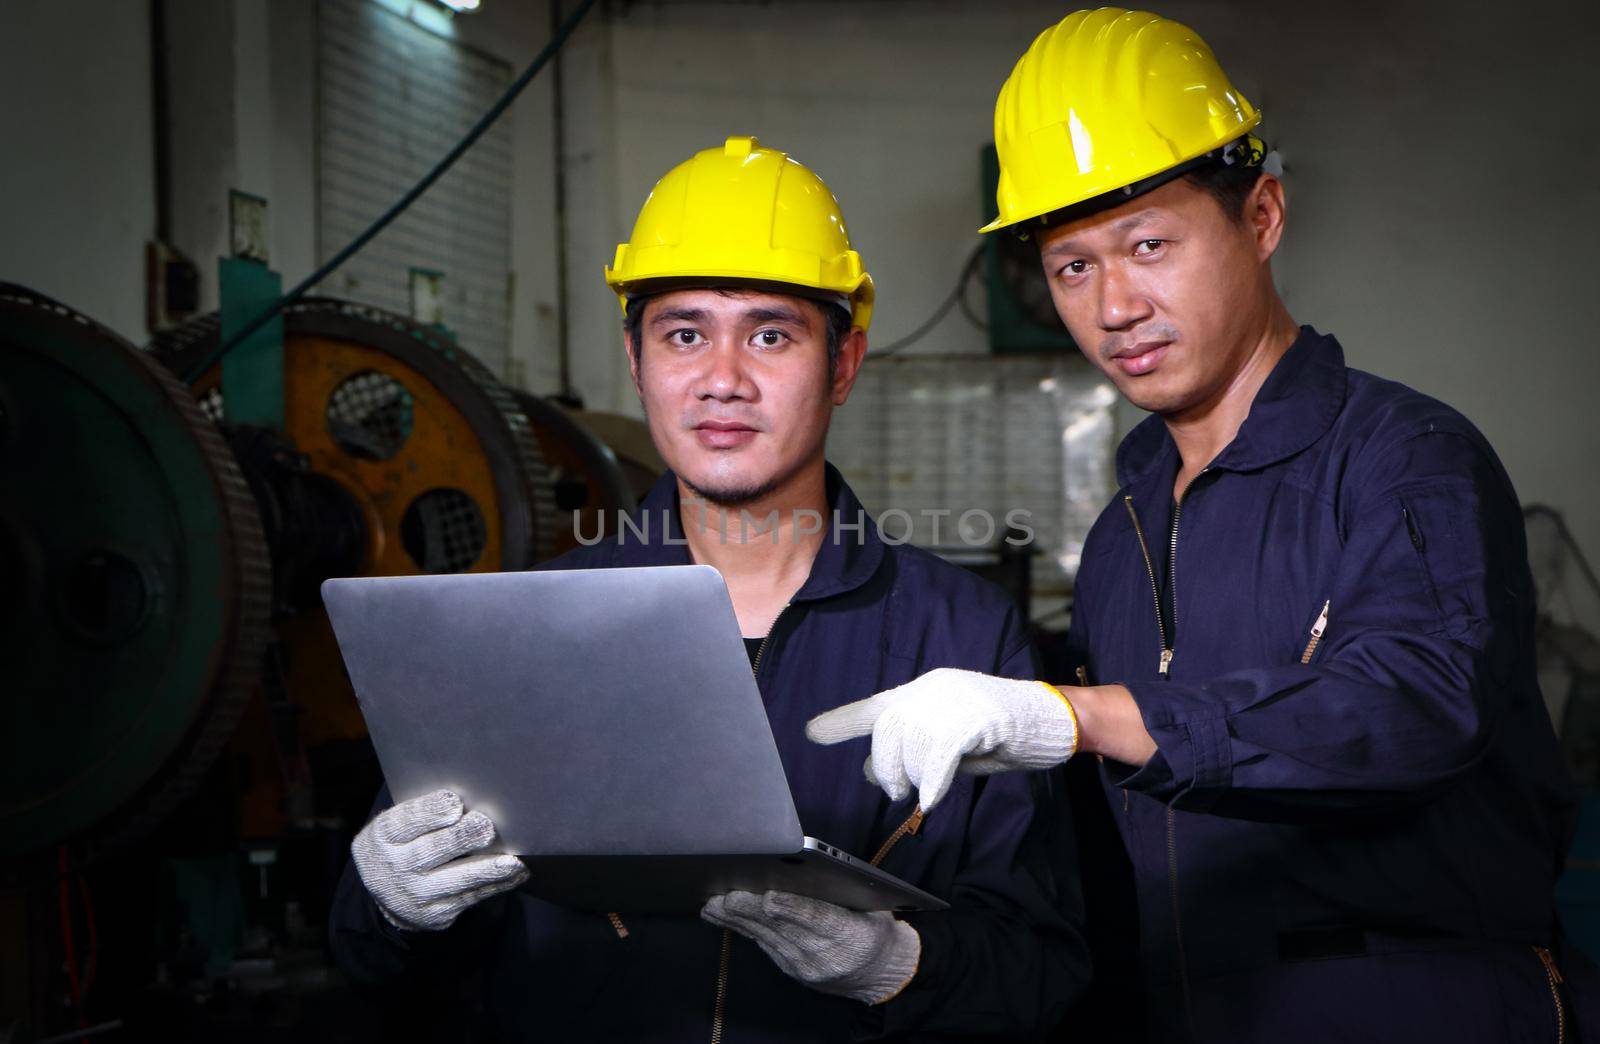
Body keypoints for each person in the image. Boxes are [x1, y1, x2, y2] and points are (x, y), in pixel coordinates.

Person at [808, 9, 1593, 1042]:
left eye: (1148, 244)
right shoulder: (1125, 534)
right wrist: (894, 950)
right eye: (1071, 265)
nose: (1114, 304)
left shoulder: (1402, 457)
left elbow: (1415, 706)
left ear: (1261, 216)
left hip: (1422, 1006)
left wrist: (1076, 716)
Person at [327, 135, 1087, 1041]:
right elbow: (385, 974)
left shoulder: (962, 636)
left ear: (843, 364)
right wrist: (388, 906)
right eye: (684, 333)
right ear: (636, 359)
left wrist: (898, 967)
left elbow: (1045, 976)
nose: (723, 379)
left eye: (771, 333)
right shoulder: (520, 632)